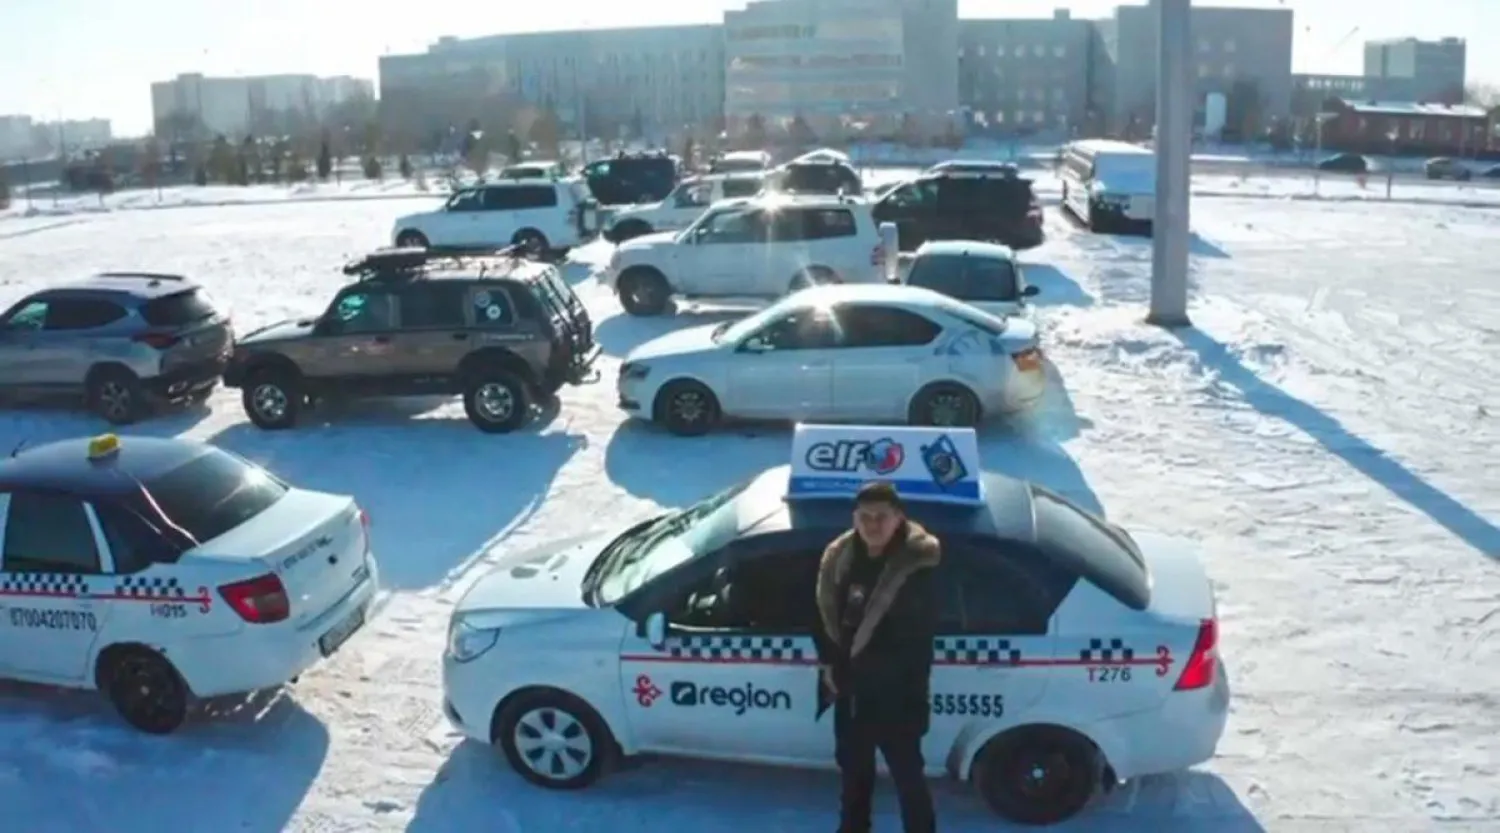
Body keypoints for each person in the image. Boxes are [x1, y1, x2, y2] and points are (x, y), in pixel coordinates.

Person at [814, 480, 940, 833]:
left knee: (908, 781)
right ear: (854, 518)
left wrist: (857, 672)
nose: (872, 524)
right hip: (851, 693)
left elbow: (912, 644)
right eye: (864, 516)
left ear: (899, 518)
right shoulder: (840, 558)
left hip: (897, 698)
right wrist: (829, 662)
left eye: (881, 517)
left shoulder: (916, 568)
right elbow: (823, 616)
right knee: (854, 777)